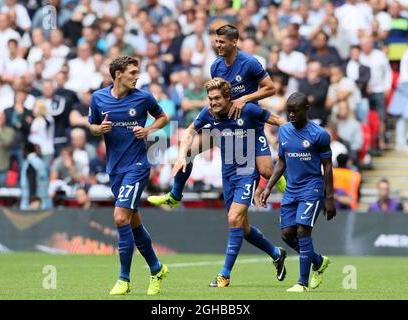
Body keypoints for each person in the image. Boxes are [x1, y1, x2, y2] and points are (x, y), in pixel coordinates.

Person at [148, 24, 286, 208]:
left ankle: (286, 187)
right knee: (187, 151)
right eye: (216, 41)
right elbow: (216, 92)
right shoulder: (216, 66)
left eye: (222, 42)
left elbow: (271, 88)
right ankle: (175, 195)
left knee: (267, 171)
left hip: (248, 122)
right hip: (221, 123)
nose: (218, 45)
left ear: (234, 42)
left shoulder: (249, 63)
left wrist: (244, 99)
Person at [174, 77, 287, 287]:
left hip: (247, 172)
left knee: (234, 219)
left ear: (228, 97)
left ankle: (224, 275)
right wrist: (182, 154)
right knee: (242, 228)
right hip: (227, 174)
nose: (213, 102)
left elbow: (278, 121)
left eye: (217, 98)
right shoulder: (208, 113)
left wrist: (297, 135)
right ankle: (276, 253)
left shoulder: (248, 110)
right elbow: (190, 131)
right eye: (210, 98)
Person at [88, 56, 170, 295]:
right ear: (117, 74)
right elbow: (91, 125)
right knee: (133, 221)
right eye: (133, 72)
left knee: (120, 217)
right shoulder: (98, 98)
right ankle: (157, 268)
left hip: (137, 166)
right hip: (115, 168)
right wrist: (98, 130)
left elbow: (163, 117)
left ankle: (124, 279)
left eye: (138, 72)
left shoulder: (144, 98)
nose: (137, 76)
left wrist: (148, 130)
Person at [260, 92, 336, 292]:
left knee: (303, 230)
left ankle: (302, 282)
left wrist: (329, 197)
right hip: (291, 189)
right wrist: (268, 187)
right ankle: (318, 261)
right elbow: (282, 161)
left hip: (312, 188)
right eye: (289, 111)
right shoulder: (284, 131)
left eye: (295, 111)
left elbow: (327, 166)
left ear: (306, 110)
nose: (291, 115)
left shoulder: (319, 134)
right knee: (287, 235)